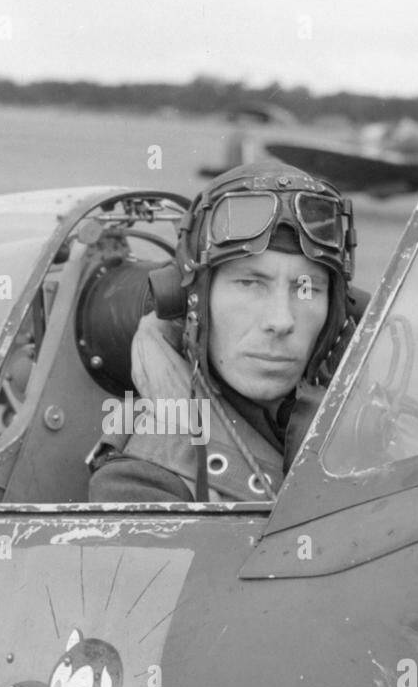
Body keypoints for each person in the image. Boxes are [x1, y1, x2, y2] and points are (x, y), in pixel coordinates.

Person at [87, 160, 359, 504]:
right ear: (196, 305)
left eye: (307, 288)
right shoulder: (141, 484)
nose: (281, 320)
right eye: (249, 283)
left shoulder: (380, 428)